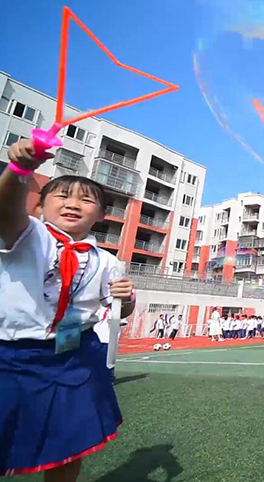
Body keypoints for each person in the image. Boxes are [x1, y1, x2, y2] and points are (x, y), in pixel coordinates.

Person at [0, 140, 136, 480]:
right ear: (39, 204)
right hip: (11, 356)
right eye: (61, 196)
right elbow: (5, 210)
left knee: (69, 446)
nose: (73, 204)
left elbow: (119, 310)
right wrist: (19, 172)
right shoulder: (26, 234)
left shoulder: (105, 260)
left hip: (73, 355)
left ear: (102, 215)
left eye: (86, 200)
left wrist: (127, 299)